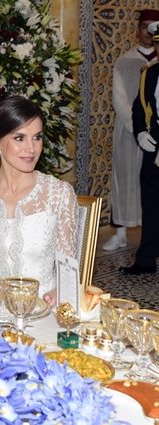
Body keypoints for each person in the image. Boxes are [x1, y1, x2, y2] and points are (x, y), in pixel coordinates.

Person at [0, 95, 79, 305]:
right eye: (19, 138)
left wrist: (60, 291)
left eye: (37, 137)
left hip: (41, 313)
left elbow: (67, 271)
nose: (31, 148)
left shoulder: (58, 194)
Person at [104, 9, 159, 251]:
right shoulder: (124, 61)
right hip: (128, 133)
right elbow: (120, 99)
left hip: (156, 136)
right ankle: (121, 233)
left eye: (152, 27)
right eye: (144, 26)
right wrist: (137, 128)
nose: (148, 32)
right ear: (137, 30)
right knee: (124, 179)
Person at [124, 22, 159, 275]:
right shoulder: (150, 72)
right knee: (151, 203)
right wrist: (140, 132)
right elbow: (139, 107)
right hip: (154, 147)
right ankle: (146, 260)